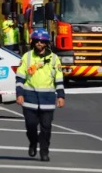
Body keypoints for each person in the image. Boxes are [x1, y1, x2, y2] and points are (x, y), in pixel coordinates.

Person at [15, 28, 65, 162]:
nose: (39, 43)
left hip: (47, 100)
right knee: (31, 125)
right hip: (29, 97)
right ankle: (33, 142)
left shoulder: (54, 59)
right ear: (33, 42)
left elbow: (59, 79)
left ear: (46, 43)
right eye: (37, 41)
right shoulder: (27, 57)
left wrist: (61, 96)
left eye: (42, 41)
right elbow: (20, 78)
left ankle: (44, 152)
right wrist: (19, 94)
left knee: (46, 128)